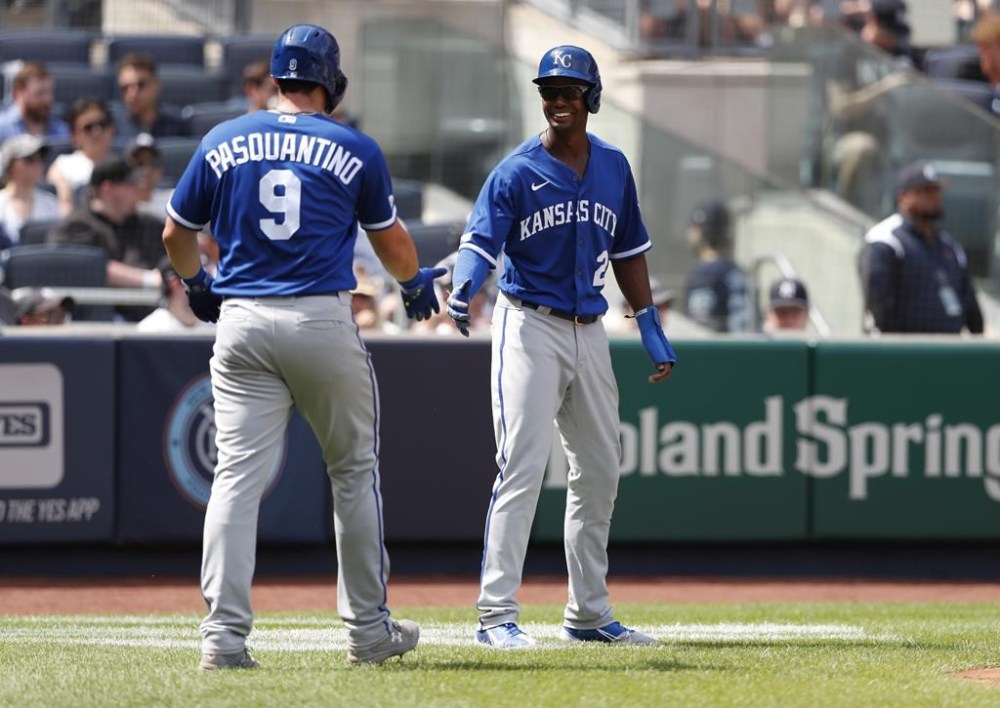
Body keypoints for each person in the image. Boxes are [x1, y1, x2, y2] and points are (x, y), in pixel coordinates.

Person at [161, 23, 442, 670]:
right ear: (329, 81)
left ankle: (223, 638)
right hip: (318, 318)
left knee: (234, 479)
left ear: (278, 78)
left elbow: (176, 231)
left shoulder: (223, 137)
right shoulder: (353, 146)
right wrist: (412, 284)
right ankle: (369, 632)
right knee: (353, 472)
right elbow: (395, 245)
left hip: (241, 321)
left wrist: (196, 282)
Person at [445, 45, 675, 649]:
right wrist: (466, 283)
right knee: (520, 466)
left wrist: (647, 321)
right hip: (530, 326)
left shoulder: (613, 167)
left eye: (569, 91)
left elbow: (629, 249)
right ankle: (496, 615)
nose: (557, 101)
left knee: (599, 469)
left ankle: (588, 614)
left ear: (591, 99)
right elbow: (480, 241)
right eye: (549, 90)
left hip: (590, 329)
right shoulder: (517, 170)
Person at [861, 160, 984, 334]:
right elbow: (880, 306)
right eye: (925, 192)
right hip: (905, 352)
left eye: (936, 191)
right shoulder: (886, 239)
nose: (934, 198)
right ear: (903, 197)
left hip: (950, 351)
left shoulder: (950, 247)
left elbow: (971, 306)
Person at [47, 156, 165, 320]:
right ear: (108, 189)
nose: (139, 190)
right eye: (131, 184)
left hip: (153, 316)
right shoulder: (74, 227)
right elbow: (88, 268)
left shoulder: (149, 225)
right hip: (95, 321)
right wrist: (149, 279)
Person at [682, 199, 750, 333]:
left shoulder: (731, 274)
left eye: (694, 227)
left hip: (724, 351)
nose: (689, 233)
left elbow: (742, 328)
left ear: (702, 230)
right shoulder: (697, 273)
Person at [47, 97, 116, 216]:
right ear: (74, 136)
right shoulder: (64, 165)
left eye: (102, 124)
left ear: (111, 130)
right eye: (88, 127)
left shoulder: (124, 164)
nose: (96, 132)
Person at [112, 53, 189, 143]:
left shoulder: (177, 125)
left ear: (156, 86)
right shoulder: (112, 127)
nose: (132, 93)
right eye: (125, 88)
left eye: (140, 85)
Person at [0, 134, 59, 245]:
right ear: (11, 164)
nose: (38, 164)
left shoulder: (50, 202)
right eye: (30, 159)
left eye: (41, 158)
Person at [136, 256, 213, 333]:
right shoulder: (149, 329)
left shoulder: (215, 325)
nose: (206, 286)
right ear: (174, 283)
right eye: (199, 279)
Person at [0, 62, 70, 142]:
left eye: (49, 93)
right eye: (39, 93)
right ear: (18, 92)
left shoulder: (63, 131)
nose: (47, 99)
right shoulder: (2, 129)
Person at [125, 133, 170, 219]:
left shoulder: (172, 203)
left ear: (161, 169)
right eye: (139, 163)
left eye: (153, 163)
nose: (146, 170)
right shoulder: (117, 205)